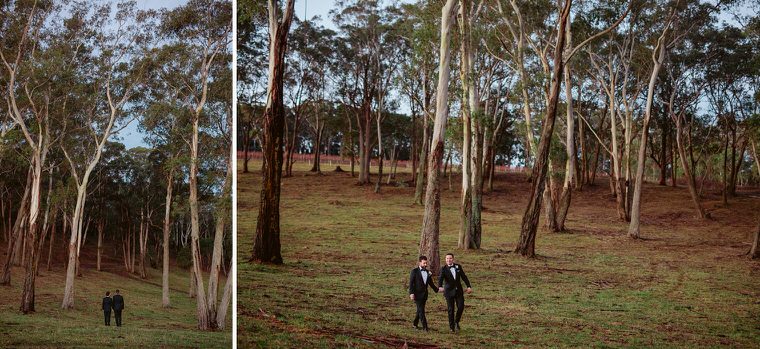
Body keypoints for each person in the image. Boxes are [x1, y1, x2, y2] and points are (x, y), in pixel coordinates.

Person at [438, 253, 471, 333]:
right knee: (451, 309)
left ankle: (456, 321)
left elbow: (464, 276)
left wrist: (468, 286)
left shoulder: (458, 267)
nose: (448, 260)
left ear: (453, 259)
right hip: (449, 291)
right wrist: (440, 286)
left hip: (458, 291)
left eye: (450, 258)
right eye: (447, 259)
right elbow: (440, 278)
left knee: (461, 306)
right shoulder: (443, 268)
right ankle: (451, 327)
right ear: (445, 260)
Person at [408, 255, 439, 331]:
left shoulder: (428, 272)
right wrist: (411, 293)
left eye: (426, 263)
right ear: (420, 263)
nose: (425, 264)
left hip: (424, 295)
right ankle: (425, 327)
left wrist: (437, 290)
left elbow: (430, 283)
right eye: (424, 263)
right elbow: (411, 283)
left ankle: (415, 324)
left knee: (419, 310)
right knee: (421, 310)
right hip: (417, 295)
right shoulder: (414, 271)